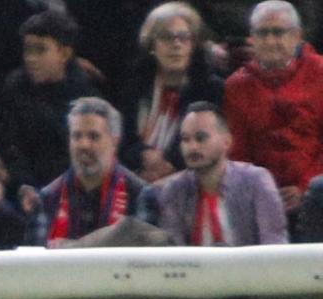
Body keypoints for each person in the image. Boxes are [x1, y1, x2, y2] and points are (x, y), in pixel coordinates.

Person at [224, 1, 323, 220]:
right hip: (260, 194)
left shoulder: (320, 73)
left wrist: (304, 186)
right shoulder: (236, 86)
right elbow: (238, 151)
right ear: (251, 39)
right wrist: (264, 191)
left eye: (278, 32)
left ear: (297, 36)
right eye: (262, 33)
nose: (270, 41)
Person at [152, 102, 287, 246]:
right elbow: (173, 254)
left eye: (201, 138)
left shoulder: (256, 181)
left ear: (226, 142)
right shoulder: (174, 190)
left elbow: (274, 245)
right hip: (195, 268)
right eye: (185, 139)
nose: (192, 147)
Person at [118, 3, 225, 183]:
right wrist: (143, 155)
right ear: (152, 45)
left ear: (193, 44)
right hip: (136, 177)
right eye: (167, 37)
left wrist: (166, 168)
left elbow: (208, 143)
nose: (176, 44)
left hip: (191, 180)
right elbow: (122, 139)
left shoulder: (210, 88)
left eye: (184, 37)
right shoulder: (134, 85)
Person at [0, 9, 99, 196]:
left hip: (74, 190)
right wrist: (23, 185)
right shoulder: (14, 88)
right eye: (28, 50)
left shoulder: (88, 98)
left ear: (64, 53)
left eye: (40, 50)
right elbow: (9, 146)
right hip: (22, 189)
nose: (31, 58)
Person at [32, 97, 147, 247]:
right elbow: (34, 261)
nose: (84, 145)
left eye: (93, 136)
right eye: (77, 136)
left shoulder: (140, 194)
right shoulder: (48, 197)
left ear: (115, 141)